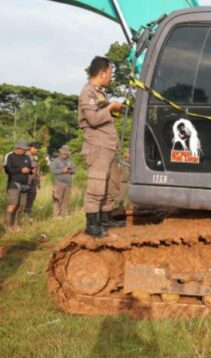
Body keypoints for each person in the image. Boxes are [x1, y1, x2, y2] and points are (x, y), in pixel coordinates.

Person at [78, 56, 125, 237]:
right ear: (102, 73)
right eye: (110, 73)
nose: (111, 77)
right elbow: (93, 119)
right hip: (97, 146)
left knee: (112, 184)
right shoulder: (87, 92)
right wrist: (111, 107)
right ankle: (92, 225)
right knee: (97, 185)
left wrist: (113, 109)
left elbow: (102, 114)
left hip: (109, 146)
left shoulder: (99, 92)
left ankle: (106, 218)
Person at [3, 139, 33, 231]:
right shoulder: (10, 156)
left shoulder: (27, 157)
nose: (25, 151)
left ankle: (17, 225)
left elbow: (30, 169)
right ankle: (8, 225)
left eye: (25, 149)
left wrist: (30, 170)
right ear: (18, 148)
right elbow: (8, 171)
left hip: (24, 185)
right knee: (13, 204)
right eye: (23, 149)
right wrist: (20, 170)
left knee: (20, 206)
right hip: (14, 184)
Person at [51, 145, 75, 218]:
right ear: (60, 153)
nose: (65, 155)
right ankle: (56, 215)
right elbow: (53, 170)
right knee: (57, 199)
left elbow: (74, 170)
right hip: (59, 183)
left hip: (68, 183)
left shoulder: (69, 162)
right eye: (63, 153)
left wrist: (70, 170)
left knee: (66, 200)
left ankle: (65, 213)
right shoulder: (56, 161)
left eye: (66, 154)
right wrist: (62, 170)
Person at [23, 141, 41, 222]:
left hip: (33, 182)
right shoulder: (24, 156)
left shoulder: (35, 158)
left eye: (37, 148)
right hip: (25, 181)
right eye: (35, 148)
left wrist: (38, 182)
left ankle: (28, 216)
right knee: (23, 199)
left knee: (31, 198)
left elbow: (37, 171)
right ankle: (20, 217)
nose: (36, 150)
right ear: (30, 147)